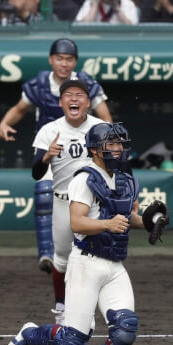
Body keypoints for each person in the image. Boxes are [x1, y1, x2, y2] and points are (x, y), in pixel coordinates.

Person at [6, 122, 168, 345]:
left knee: (125, 328)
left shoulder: (124, 179)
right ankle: (29, 335)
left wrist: (149, 222)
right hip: (85, 264)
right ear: (95, 149)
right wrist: (108, 223)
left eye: (120, 143)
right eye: (112, 144)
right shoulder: (84, 178)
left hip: (115, 266)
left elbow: (126, 219)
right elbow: (77, 221)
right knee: (72, 343)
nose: (118, 149)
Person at [0, 38, 111, 273]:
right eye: (59, 58)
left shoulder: (85, 84)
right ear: (51, 60)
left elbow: (105, 117)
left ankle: (86, 251)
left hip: (81, 151)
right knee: (44, 192)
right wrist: (4, 123)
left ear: (75, 62)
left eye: (69, 59)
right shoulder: (40, 84)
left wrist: (105, 144)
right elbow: (20, 108)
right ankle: (47, 254)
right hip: (50, 149)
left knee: (89, 197)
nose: (64, 64)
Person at [31, 75, 105, 325]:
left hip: (95, 204)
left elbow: (119, 165)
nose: (74, 99)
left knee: (96, 257)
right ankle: (62, 308)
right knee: (62, 258)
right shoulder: (50, 131)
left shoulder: (100, 128)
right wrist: (45, 158)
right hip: (63, 202)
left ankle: (88, 310)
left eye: (79, 95)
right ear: (61, 102)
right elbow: (36, 173)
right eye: (68, 96)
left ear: (88, 102)